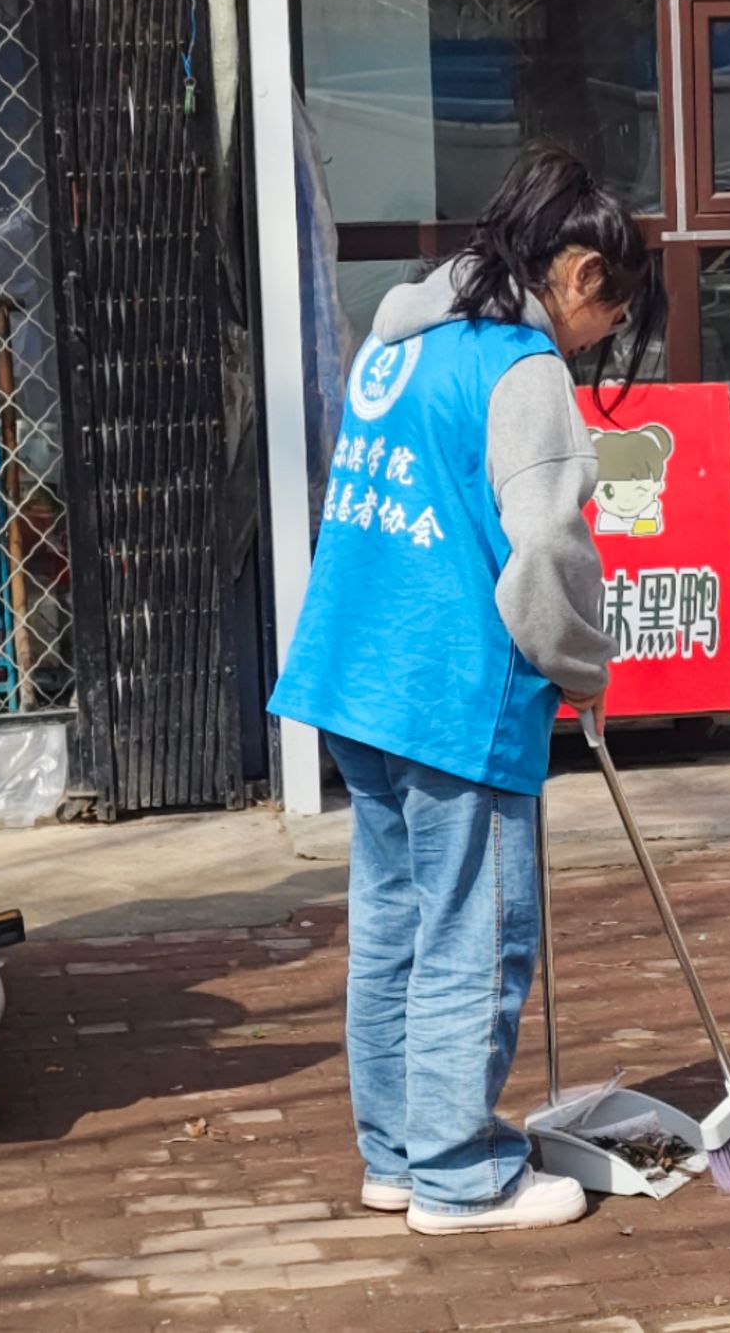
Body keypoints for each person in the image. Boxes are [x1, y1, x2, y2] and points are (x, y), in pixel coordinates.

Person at [269, 141, 664, 1233]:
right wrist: (581, 667)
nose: (599, 341)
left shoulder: (397, 344)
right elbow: (546, 550)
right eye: (609, 316)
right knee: (474, 933)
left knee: (395, 927)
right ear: (580, 273)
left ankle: (398, 1155)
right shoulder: (519, 367)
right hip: (450, 689)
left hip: (354, 670)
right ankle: (459, 1176)